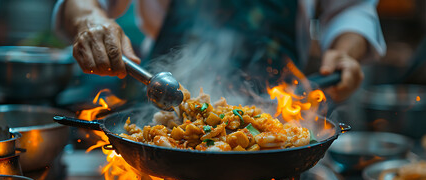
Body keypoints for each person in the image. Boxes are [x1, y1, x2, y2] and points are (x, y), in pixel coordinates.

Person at [52, 0, 386, 102]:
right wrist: (88, 21)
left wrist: (346, 51)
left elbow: (350, 9)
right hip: (166, 100)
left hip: (278, 102)